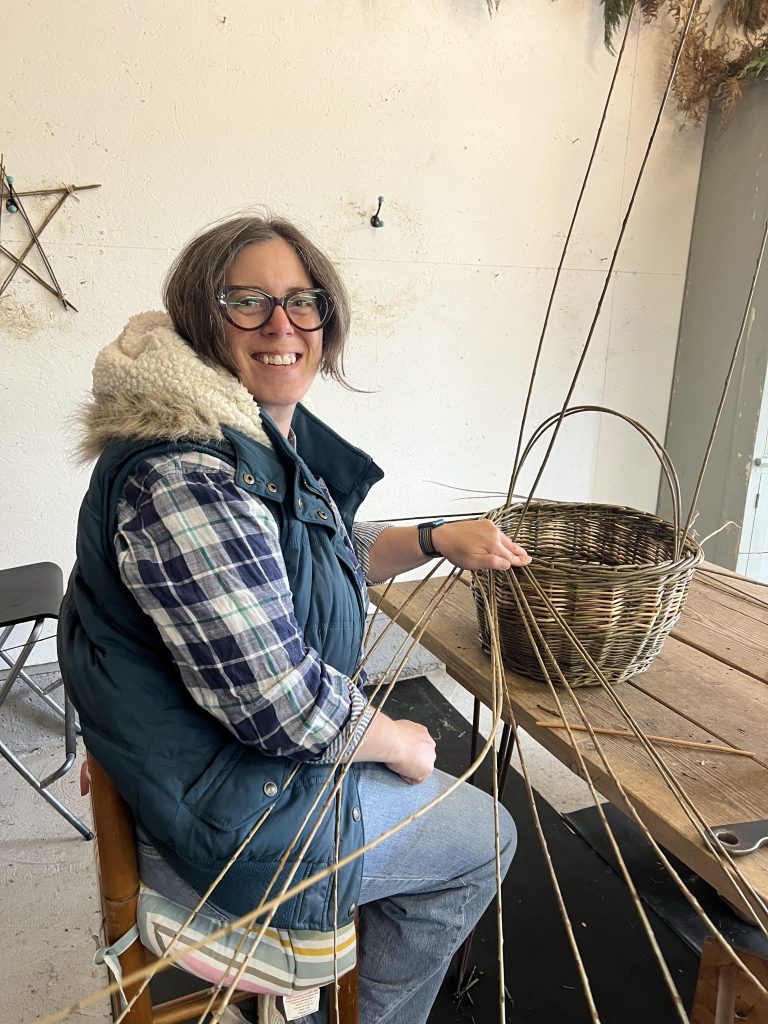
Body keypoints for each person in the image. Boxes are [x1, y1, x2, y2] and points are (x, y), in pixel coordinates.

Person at [58, 215, 531, 1024]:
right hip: (220, 816)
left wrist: (431, 538)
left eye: (303, 302)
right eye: (249, 302)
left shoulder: (241, 437)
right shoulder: (187, 475)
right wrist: (394, 739)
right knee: (486, 838)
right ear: (202, 319)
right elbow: (286, 708)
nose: (283, 326)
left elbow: (317, 551)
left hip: (199, 768)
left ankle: (316, 990)